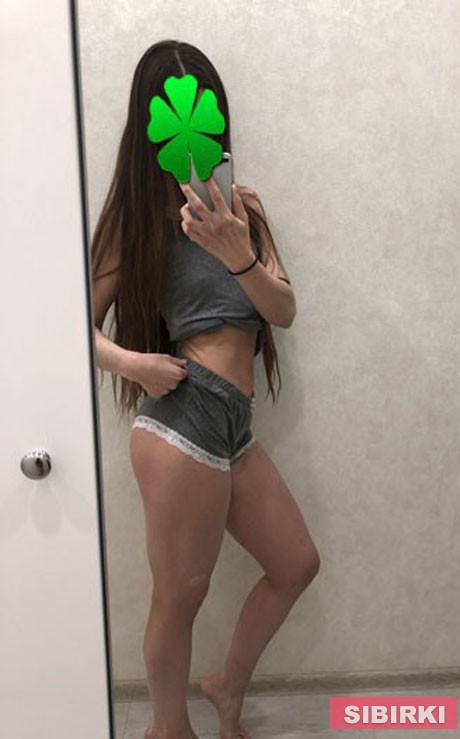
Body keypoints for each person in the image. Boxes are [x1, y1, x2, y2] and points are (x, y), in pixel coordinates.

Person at [92, 39, 321, 739]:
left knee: (295, 563)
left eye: (207, 113)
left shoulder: (242, 206)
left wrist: (237, 251)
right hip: (181, 419)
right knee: (181, 595)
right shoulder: (137, 221)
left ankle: (226, 684)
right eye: (176, 117)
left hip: (233, 424)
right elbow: (67, 327)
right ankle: (168, 729)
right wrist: (134, 364)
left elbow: (283, 309)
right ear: (153, 127)